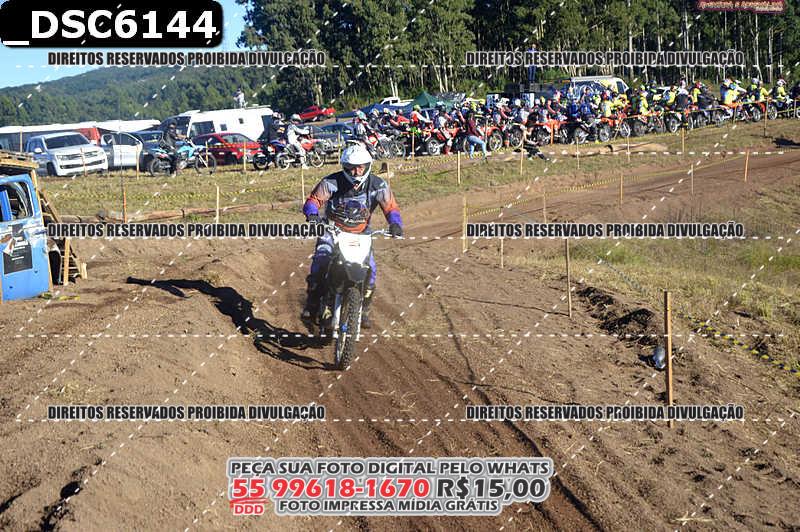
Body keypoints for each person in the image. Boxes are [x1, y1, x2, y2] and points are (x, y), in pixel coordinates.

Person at [301, 144, 403, 328]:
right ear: (345, 167)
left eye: (361, 167)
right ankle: (312, 303)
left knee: (371, 269)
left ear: (367, 166)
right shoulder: (331, 182)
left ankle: (364, 310)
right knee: (321, 259)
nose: (356, 172)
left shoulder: (378, 185)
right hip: (332, 230)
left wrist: (395, 224)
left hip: (361, 234)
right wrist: (312, 215)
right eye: (352, 168)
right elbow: (313, 201)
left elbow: (391, 208)